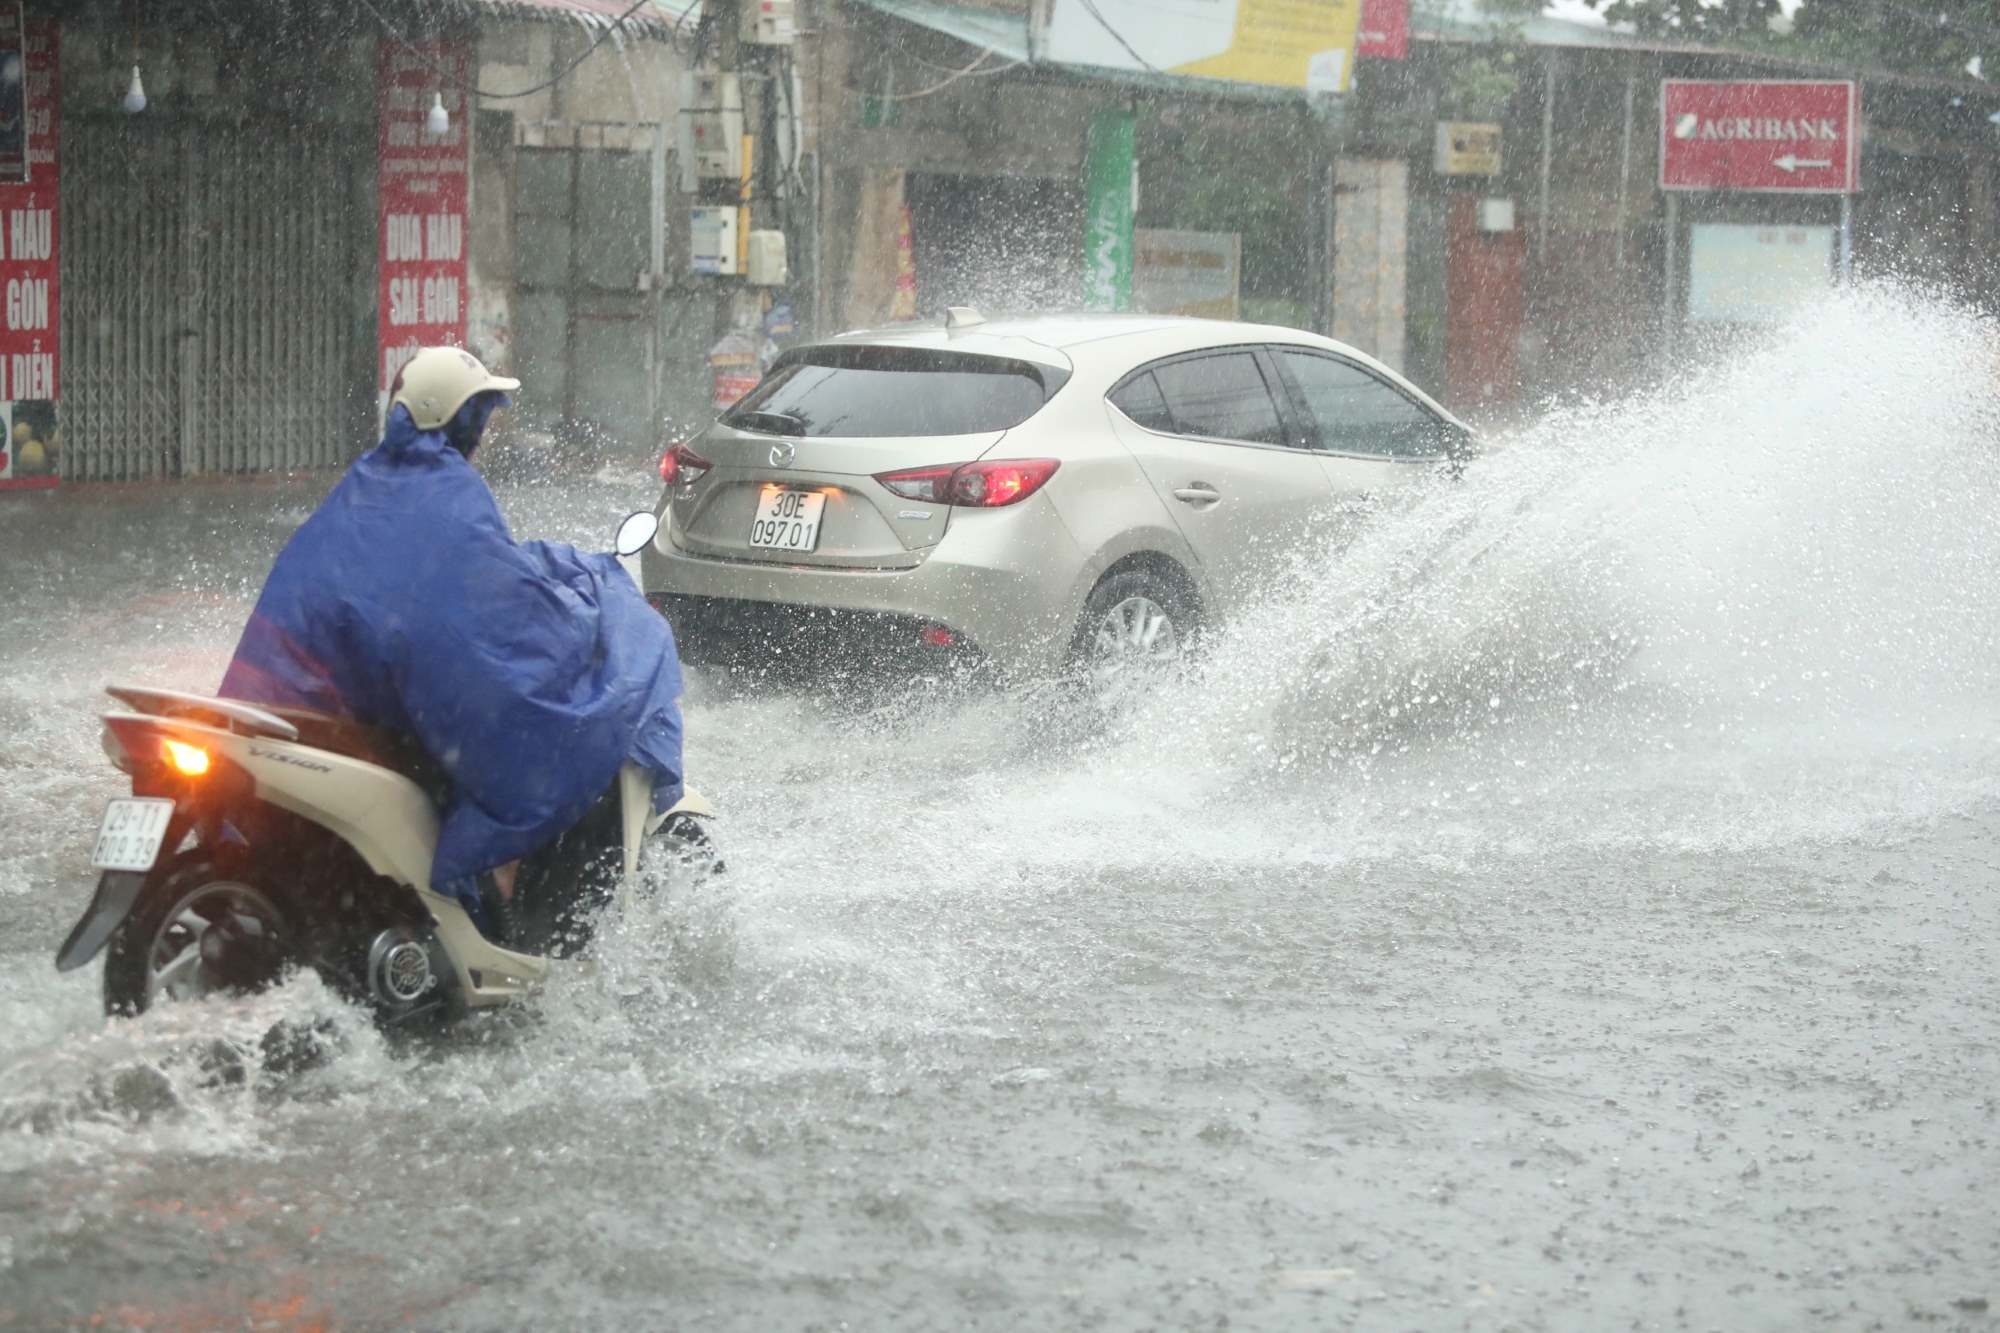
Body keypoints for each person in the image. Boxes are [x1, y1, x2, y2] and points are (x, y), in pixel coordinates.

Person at [219, 346, 685, 943]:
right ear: (461, 422)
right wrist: (577, 626)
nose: (487, 433)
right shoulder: (449, 496)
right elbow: (493, 621)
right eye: (483, 418)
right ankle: (504, 907)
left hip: (298, 710)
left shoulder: (367, 484)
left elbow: (436, 589)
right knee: (545, 746)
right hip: (355, 723)